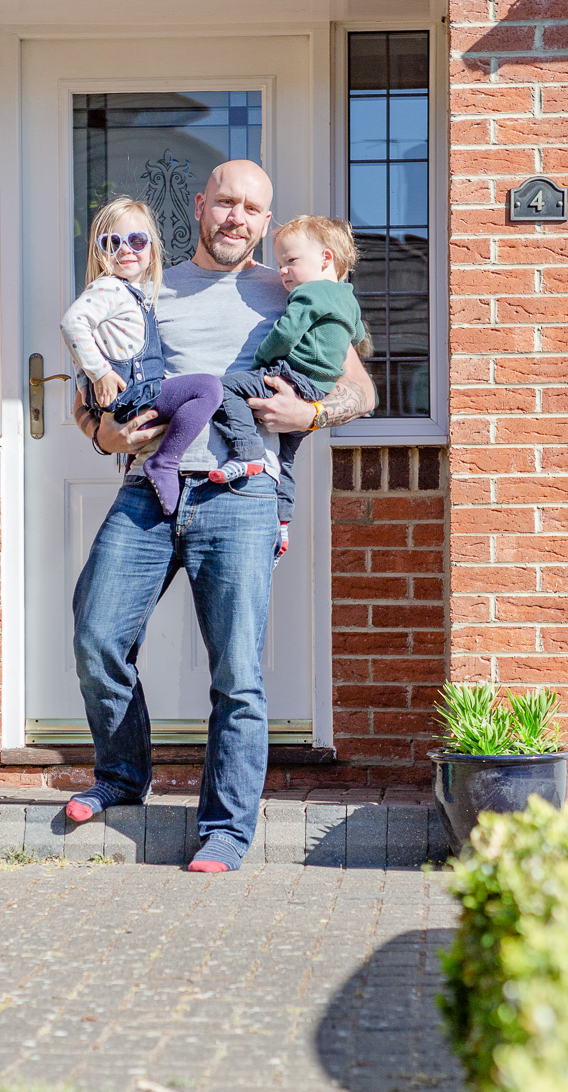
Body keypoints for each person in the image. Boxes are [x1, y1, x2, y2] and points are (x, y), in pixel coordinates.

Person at [69, 160, 376, 873]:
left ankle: (227, 829)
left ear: (267, 224)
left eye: (252, 209)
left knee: (237, 671)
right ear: (202, 208)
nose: (237, 217)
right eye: (226, 203)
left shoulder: (294, 289)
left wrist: (313, 412)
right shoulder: (147, 288)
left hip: (241, 497)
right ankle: (122, 776)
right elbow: (87, 398)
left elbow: (360, 388)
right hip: (149, 489)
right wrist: (101, 433)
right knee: (96, 636)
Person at [208, 215, 365, 557]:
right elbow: (360, 338)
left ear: (326, 259)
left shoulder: (309, 293)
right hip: (318, 389)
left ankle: (245, 453)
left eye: (291, 261)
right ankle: (282, 525)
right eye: (280, 264)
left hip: (292, 377)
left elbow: (287, 333)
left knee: (225, 390)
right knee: (286, 458)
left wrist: (260, 361)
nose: (282, 271)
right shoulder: (347, 297)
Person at [60, 197, 223, 516]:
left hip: (132, 395)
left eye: (136, 240)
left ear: (151, 249)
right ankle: (167, 461)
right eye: (112, 242)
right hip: (131, 394)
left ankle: (143, 468)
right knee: (208, 389)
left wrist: (88, 382)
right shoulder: (108, 289)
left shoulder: (136, 294)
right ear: (100, 252)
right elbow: (72, 323)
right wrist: (99, 373)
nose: (125, 249)